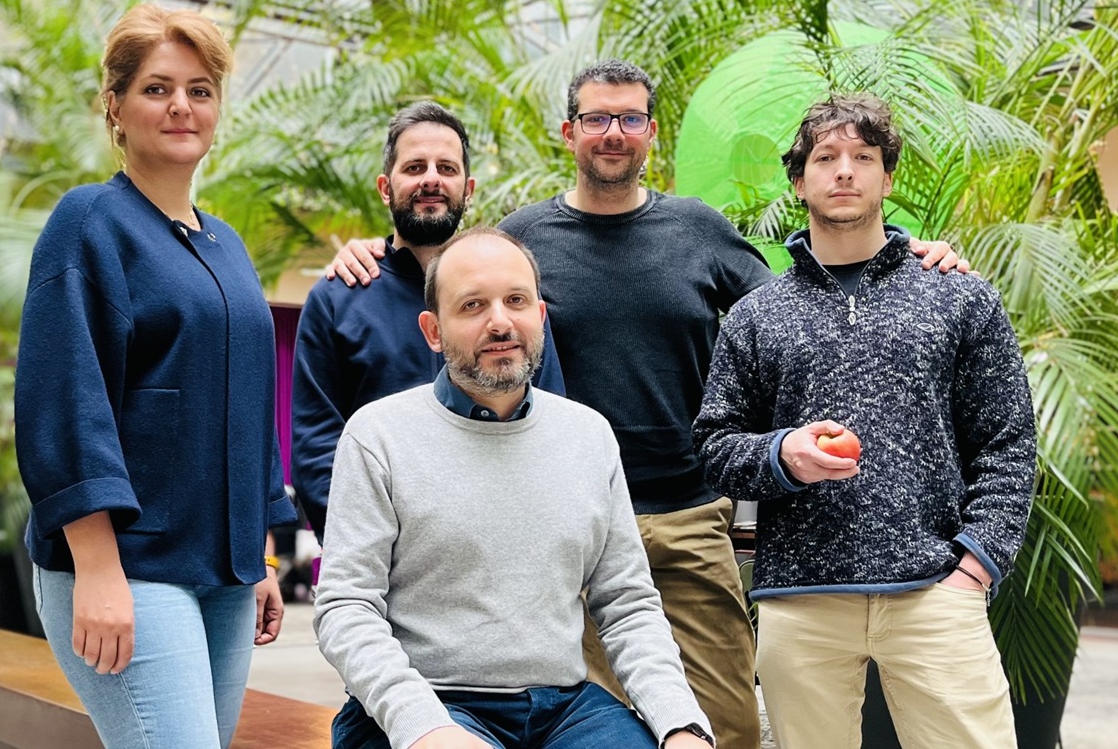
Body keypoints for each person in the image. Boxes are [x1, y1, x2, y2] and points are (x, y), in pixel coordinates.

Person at [324, 61, 970, 748]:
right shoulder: (523, 236)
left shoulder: (698, 229)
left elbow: (794, 307)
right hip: (564, 524)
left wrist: (896, 258)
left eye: (630, 118)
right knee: (582, 711)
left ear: (651, 133)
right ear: (569, 132)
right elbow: (456, 282)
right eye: (597, 118)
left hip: (690, 512)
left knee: (727, 725)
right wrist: (377, 253)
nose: (614, 132)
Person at [692, 94, 1036, 748]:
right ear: (799, 182)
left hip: (935, 590)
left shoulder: (960, 296)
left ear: (888, 177)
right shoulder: (757, 315)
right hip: (801, 598)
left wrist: (978, 563)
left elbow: (1008, 441)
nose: (845, 170)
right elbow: (714, 445)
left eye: (863, 156)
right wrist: (782, 454)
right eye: (826, 157)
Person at [14, 5, 297, 748]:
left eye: (200, 91)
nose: (181, 106)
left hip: (225, 574)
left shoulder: (226, 244)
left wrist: (259, 554)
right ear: (114, 106)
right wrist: (98, 567)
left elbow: (247, 408)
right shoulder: (88, 222)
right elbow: (66, 400)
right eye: (157, 88)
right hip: (127, 566)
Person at [315, 226, 714, 749]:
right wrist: (424, 726)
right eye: (473, 305)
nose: (500, 321)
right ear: (433, 330)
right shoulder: (378, 435)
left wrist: (680, 723)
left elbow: (627, 603)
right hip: (427, 700)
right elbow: (346, 607)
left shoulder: (589, 435)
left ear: (540, 317)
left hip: (565, 709)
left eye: (517, 301)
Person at [290, 102, 563, 540]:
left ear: (468, 189)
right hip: (379, 556)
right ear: (386, 187)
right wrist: (367, 543)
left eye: (446, 168)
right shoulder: (338, 299)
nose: (431, 179)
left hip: (506, 543)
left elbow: (548, 424)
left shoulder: (510, 299)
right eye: (415, 167)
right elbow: (317, 447)